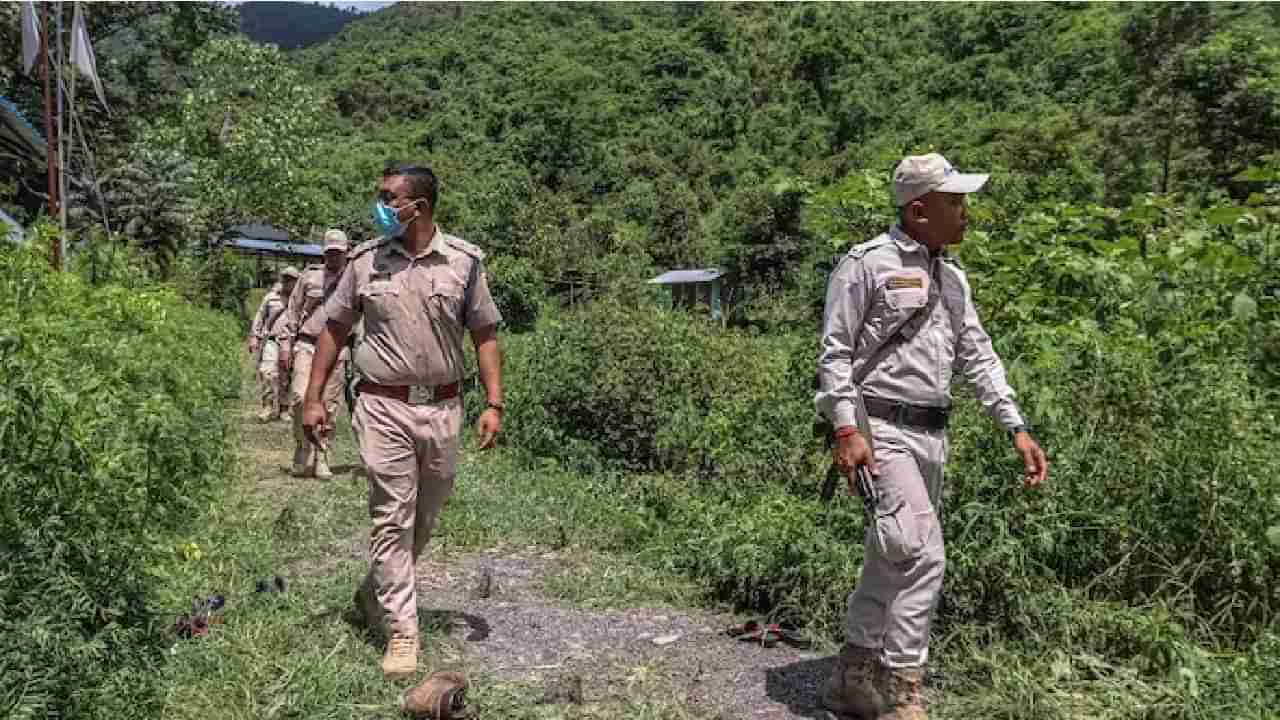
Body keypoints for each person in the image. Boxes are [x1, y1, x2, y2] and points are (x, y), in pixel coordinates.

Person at [814, 153, 1049, 720]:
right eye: (955, 203)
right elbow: (835, 353)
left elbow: (978, 354)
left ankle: (850, 677)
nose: (966, 214)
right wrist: (846, 428)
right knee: (922, 555)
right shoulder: (866, 264)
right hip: (880, 430)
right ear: (919, 210)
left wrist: (1014, 424)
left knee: (891, 553)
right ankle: (903, 692)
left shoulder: (953, 277)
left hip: (931, 436)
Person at [301, 163, 504, 680]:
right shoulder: (365, 262)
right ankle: (402, 633)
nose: (381, 205)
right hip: (381, 404)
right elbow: (333, 330)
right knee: (392, 515)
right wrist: (313, 398)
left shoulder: (463, 262)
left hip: (442, 407)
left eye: (389, 197)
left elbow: (484, 334)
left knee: (424, 517)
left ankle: (376, 589)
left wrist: (494, 404)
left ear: (421, 206)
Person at [273, 230, 349, 479]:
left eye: (339, 252)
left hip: (338, 348)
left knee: (329, 403)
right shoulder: (310, 277)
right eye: (330, 251)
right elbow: (292, 312)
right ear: (324, 251)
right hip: (307, 344)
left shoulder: (353, 279)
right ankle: (301, 445)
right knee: (298, 396)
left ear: (346, 252)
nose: (334, 256)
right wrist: (285, 345)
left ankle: (322, 454)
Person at [248, 266, 299, 422]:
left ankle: (284, 408)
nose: (287, 281)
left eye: (291, 279)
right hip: (272, 340)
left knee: (286, 375)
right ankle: (267, 406)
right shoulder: (271, 297)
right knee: (267, 372)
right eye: (285, 278)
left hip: (292, 342)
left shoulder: (300, 299)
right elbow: (260, 316)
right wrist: (254, 336)